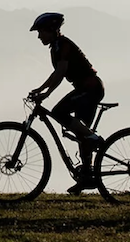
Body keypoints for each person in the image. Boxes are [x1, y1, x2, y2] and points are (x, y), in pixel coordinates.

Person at [28, 12, 105, 195]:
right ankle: (86, 176)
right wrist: (40, 90)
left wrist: (45, 94)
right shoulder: (56, 47)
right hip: (85, 89)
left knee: (59, 112)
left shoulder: (63, 46)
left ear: (51, 30)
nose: (39, 36)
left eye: (41, 32)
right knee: (81, 133)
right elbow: (56, 74)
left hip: (90, 89)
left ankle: (95, 140)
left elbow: (61, 73)